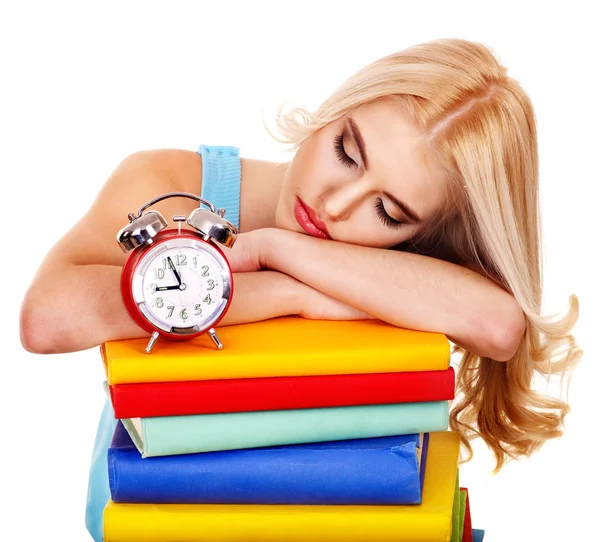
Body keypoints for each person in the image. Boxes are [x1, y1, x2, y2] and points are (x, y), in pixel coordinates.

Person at [20, 36, 581, 536]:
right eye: (346, 151)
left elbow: (501, 326)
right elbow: (47, 319)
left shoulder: (404, 268)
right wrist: (290, 293)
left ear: (425, 234)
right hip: (160, 511)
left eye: (387, 211)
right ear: (336, 106)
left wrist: (279, 250)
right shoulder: (173, 182)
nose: (333, 205)